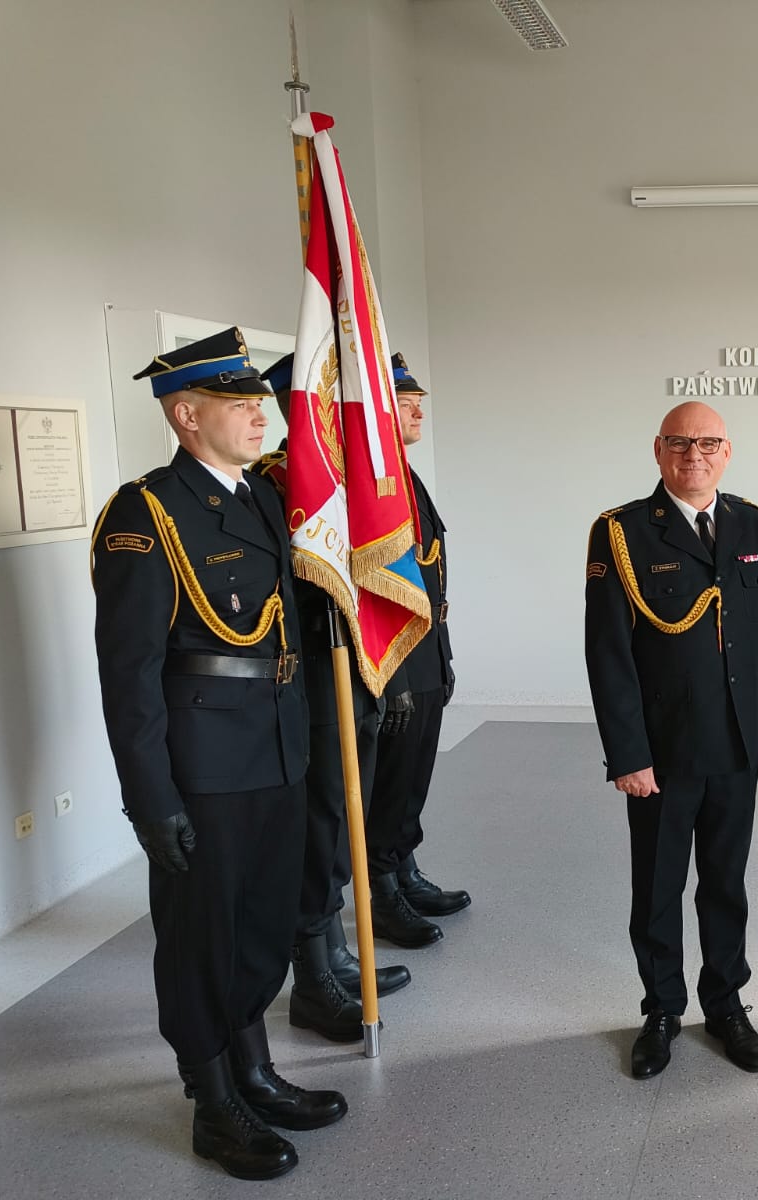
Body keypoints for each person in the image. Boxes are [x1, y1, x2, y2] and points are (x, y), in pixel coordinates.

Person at [91, 328, 344, 1181]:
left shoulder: (260, 499)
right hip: (203, 764)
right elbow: (129, 674)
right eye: (239, 404)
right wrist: (151, 798)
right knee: (203, 936)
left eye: (258, 401)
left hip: (277, 747)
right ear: (187, 415)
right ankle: (213, 1101)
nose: (260, 415)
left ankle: (255, 1072)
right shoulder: (147, 513)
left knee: (263, 923)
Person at [584, 401, 758, 1078]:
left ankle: (726, 1004)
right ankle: (662, 1009)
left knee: (726, 882)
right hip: (663, 748)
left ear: (727, 451)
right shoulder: (621, 532)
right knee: (658, 887)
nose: (693, 455)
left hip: (736, 741)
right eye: (679, 443)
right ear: (658, 450)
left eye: (707, 444)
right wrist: (628, 754)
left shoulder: (751, 522)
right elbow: (608, 653)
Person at [252, 353, 411, 1040]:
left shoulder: (355, 482)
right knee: (320, 822)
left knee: (349, 816)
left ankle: (338, 953)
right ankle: (313, 977)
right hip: (314, 671)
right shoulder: (277, 483)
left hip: (358, 665)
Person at [368, 353, 473, 946]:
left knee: (414, 775)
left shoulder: (404, 475)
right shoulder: (372, 484)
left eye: (417, 405)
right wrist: (394, 676)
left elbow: (430, 573)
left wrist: (443, 654)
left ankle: (404, 870)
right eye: (406, 405)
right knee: (390, 778)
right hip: (396, 661)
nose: (417, 414)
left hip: (425, 648)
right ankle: (382, 891)